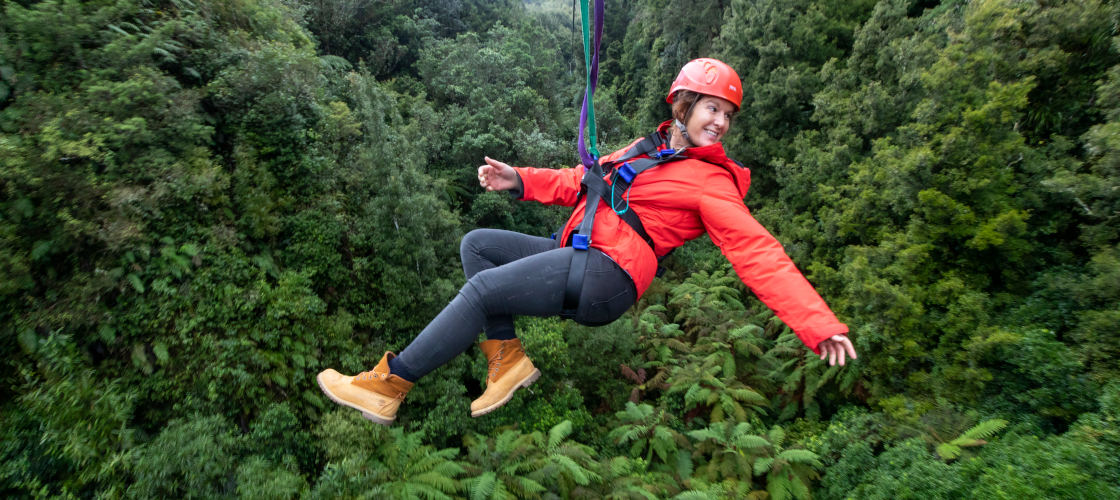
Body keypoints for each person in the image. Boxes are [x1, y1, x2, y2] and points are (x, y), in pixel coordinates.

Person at [317, 58, 858, 425]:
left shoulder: (712, 183)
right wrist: (519, 179)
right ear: (685, 104)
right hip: (578, 250)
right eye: (712, 108)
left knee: (482, 291)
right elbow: (585, 181)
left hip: (608, 275)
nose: (720, 122)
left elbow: (757, 251)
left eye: (728, 115)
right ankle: (506, 358)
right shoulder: (647, 149)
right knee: (477, 245)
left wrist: (818, 324)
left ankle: (389, 386)